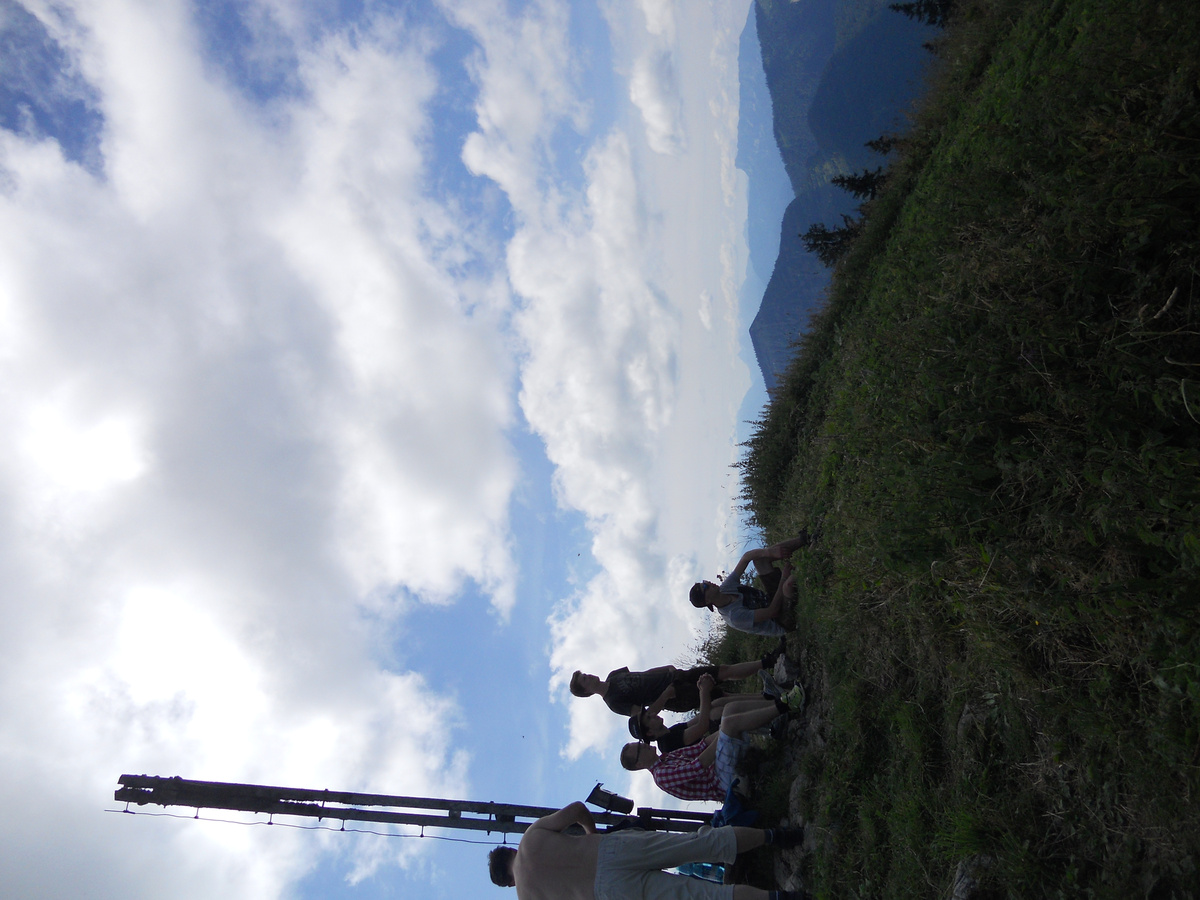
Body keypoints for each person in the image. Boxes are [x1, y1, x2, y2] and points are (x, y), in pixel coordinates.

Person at [486, 799, 808, 900]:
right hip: (609, 850)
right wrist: (590, 834)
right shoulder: (530, 838)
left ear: (509, 883)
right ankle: (778, 836)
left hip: (608, 891)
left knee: (702, 896)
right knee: (698, 843)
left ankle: (785, 898)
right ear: (509, 851)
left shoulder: (527, 896)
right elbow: (576, 810)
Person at [620, 675, 802, 803]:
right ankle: (785, 707)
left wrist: (721, 728)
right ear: (639, 764)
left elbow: (701, 745)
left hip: (720, 769)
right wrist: (705, 695)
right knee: (727, 721)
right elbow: (698, 764)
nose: (643, 746)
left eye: (639, 745)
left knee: (727, 713)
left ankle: (778, 703)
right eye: (639, 749)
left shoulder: (665, 757)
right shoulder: (661, 774)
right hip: (724, 785)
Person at [569, 646, 784, 716]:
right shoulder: (613, 702)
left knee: (721, 671)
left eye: (585, 674)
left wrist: (665, 668)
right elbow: (646, 715)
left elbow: (642, 674)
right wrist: (666, 696)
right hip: (675, 696)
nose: (589, 676)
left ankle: (767, 662)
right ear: (586, 692)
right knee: (721, 698)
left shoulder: (613, 675)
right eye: (584, 680)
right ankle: (767, 700)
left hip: (675, 676)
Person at [688, 535, 812, 637]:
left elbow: (746, 558)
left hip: (772, 599)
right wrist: (783, 578)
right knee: (788, 585)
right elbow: (773, 611)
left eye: (705, 582)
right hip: (781, 621)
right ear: (707, 600)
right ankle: (812, 557)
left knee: (760, 560)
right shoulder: (734, 617)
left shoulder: (726, 588)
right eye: (705, 587)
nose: (709, 583)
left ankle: (806, 538)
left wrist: (770, 552)